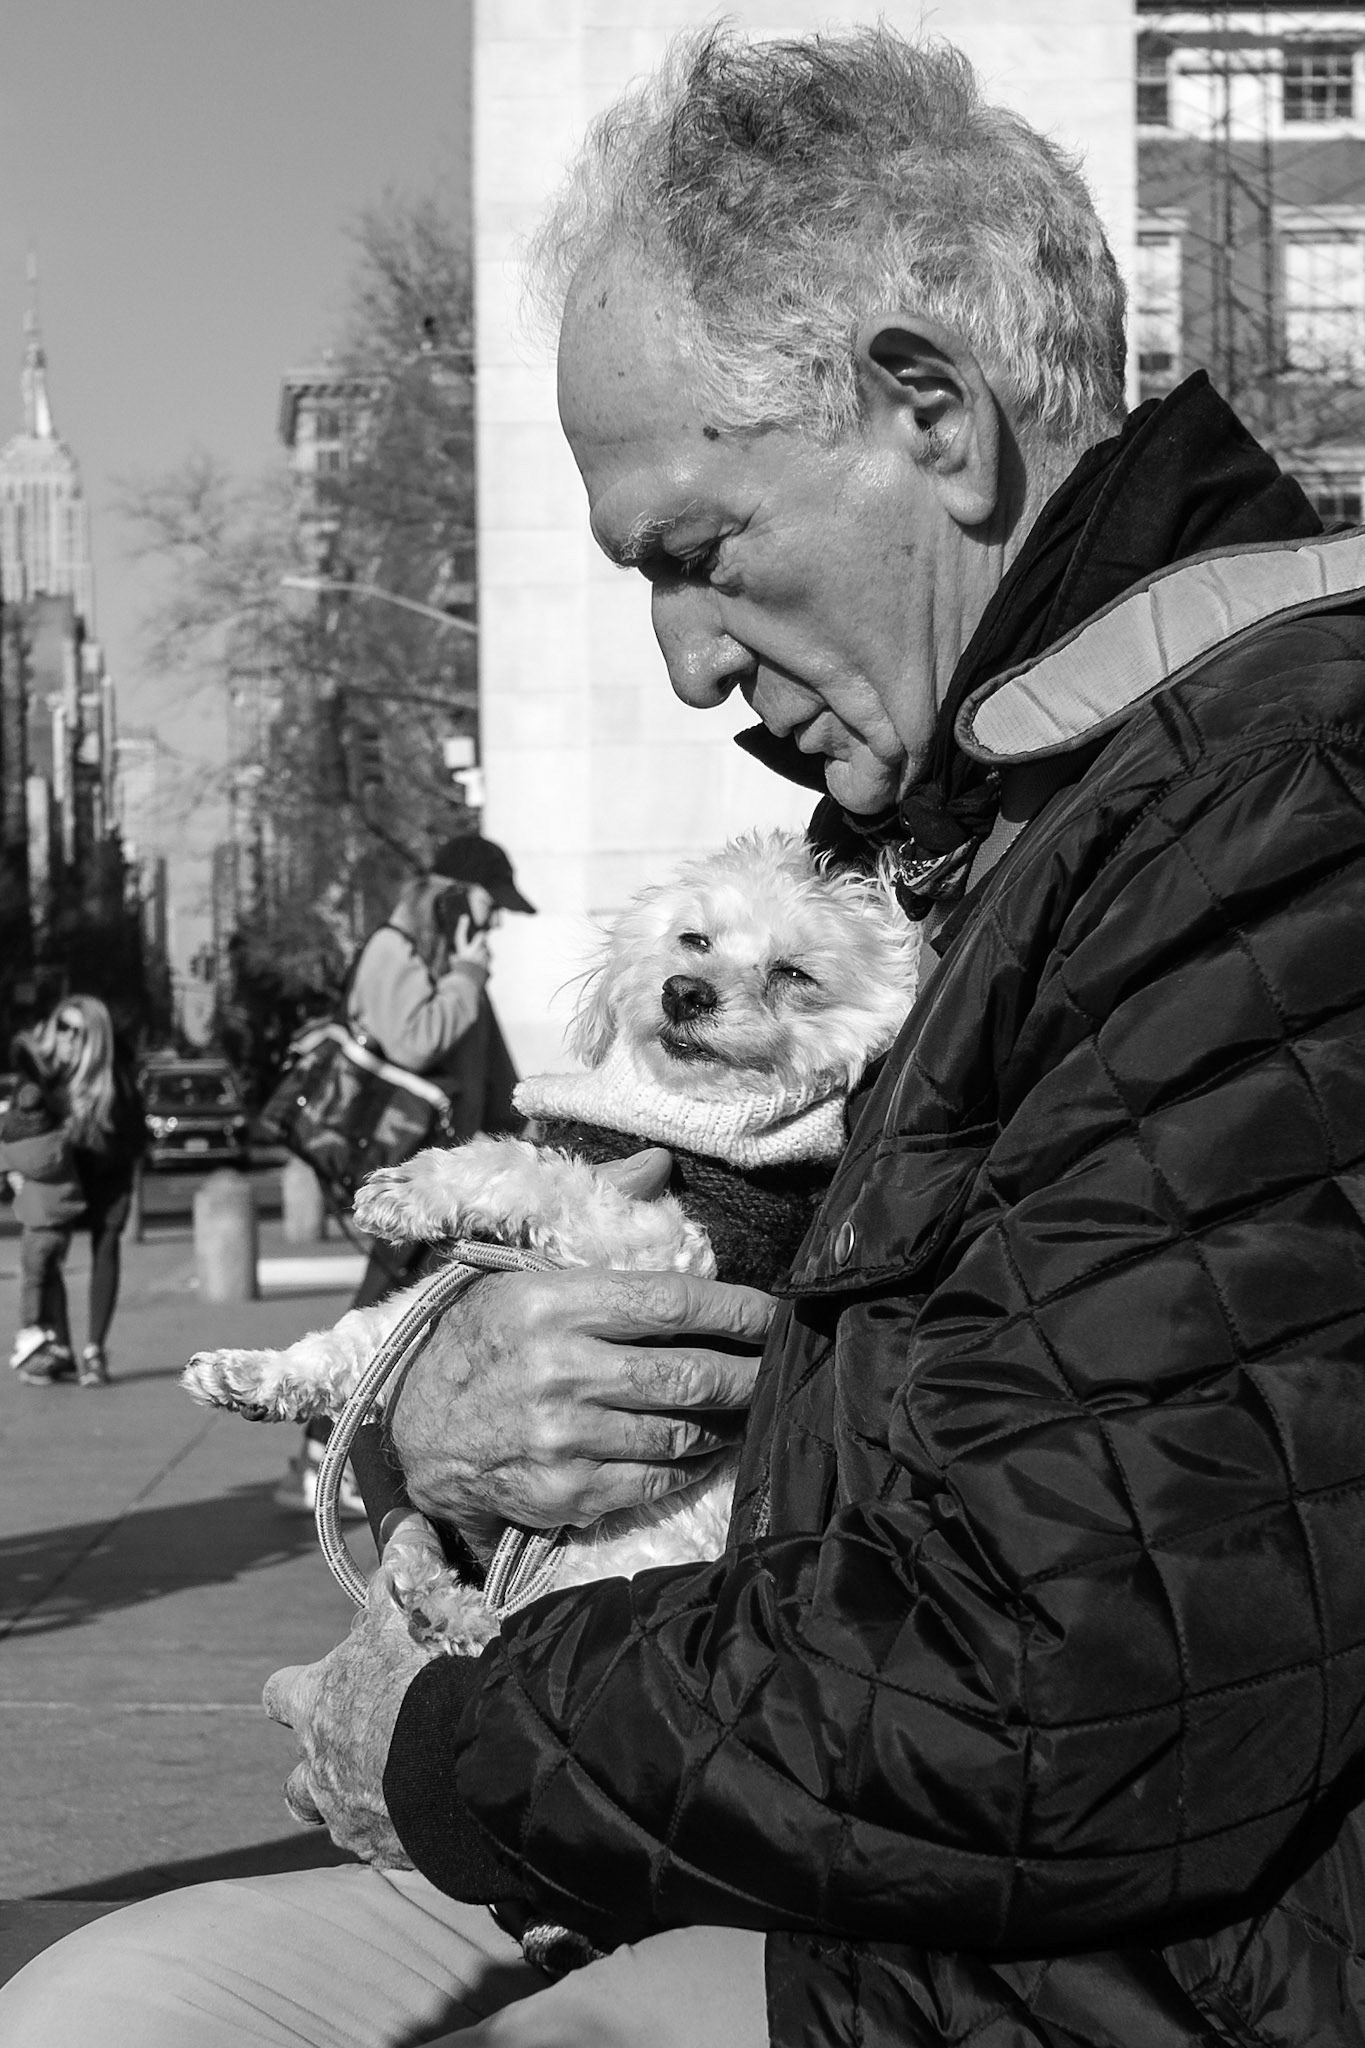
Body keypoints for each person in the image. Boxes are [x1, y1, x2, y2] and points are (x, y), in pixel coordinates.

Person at [7, 25, 1365, 2047]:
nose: (685, 665)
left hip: (1062, 1964)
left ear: (931, 413)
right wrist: (437, 1398)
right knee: (110, 1999)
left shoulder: (1272, 813)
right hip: (763, 1834)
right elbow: (705, 1316)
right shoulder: (939, 823)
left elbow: (1070, 1685)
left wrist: (453, 1742)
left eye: (698, 555)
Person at [276, 841, 532, 1520]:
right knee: (386, 1307)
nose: (495, 921)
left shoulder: (447, 963)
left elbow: (486, 1075)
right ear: (453, 895)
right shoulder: (395, 951)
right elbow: (414, 1040)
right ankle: (323, 1453)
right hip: (408, 1175)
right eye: (490, 904)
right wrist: (468, 976)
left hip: (443, 1177)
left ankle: (338, 1453)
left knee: (407, 1309)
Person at [1, 995, 146, 1388]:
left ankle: (94, 1350)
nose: (67, 1036)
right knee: (47, 1251)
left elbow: (132, 1137)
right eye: (61, 1026)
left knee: (107, 1243)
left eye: (76, 1031)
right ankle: (60, 1347)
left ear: (95, 1038)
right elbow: (16, 1127)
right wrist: (14, 1171)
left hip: (107, 1175)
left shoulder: (114, 1080)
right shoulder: (43, 1076)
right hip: (60, 1178)